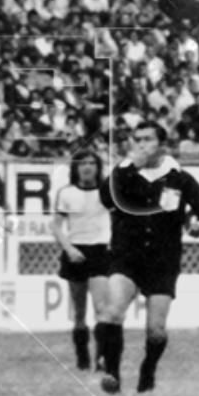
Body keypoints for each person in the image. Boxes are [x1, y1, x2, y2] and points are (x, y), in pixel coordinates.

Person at [97, 122, 199, 394]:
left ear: (162, 144)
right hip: (126, 255)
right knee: (113, 311)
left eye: (147, 139)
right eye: (136, 139)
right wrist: (127, 167)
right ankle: (112, 373)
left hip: (163, 259)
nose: (140, 144)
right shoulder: (126, 173)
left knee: (156, 330)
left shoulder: (179, 178)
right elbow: (105, 196)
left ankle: (148, 369)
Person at [54, 150, 113, 371]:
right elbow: (56, 226)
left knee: (101, 308)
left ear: (98, 167)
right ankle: (82, 358)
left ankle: (101, 358)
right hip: (76, 252)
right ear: (76, 168)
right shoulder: (66, 193)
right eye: (83, 164)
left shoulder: (106, 192)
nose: (87, 167)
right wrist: (68, 249)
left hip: (99, 252)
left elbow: (119, 219)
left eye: (92, 163)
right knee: (79, 312)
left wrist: (114, 243)